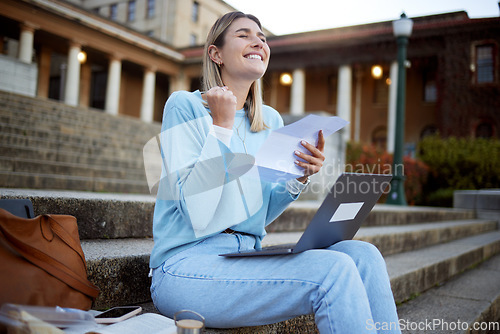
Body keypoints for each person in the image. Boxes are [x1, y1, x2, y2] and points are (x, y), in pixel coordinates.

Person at [149, 11, 401, 334]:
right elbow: (196, 209)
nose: (258, 41)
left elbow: (260, 210)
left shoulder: (270, 122)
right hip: (185, 268)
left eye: (263, 37)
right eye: (244, 35)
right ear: (216, 54)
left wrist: (299, 177)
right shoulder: (184, 106)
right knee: (333, 271)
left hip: (244, 258)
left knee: (365, 255)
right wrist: (221, 127)